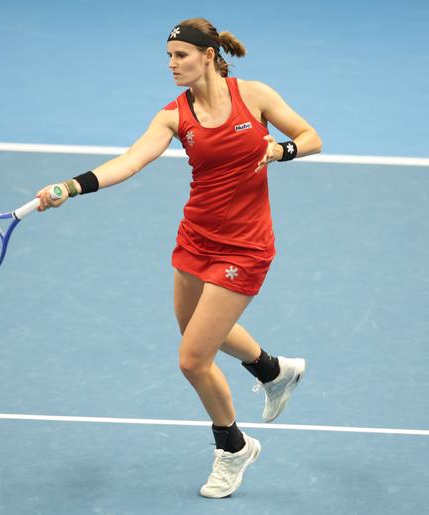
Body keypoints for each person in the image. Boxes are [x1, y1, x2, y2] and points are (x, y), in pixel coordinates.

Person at [36, 17, 322, 498]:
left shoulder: (253, 96)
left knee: (193, 358)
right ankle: (274, 371)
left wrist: (282, 149)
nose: (171, 65)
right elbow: (129, 161)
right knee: (194, 331)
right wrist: (70, 186)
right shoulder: (173, 116)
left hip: (246, 246)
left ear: (208, 55)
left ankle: (233, 448)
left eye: (180, 56)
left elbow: (312, 136)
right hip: (194, 240)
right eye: (168, 57)